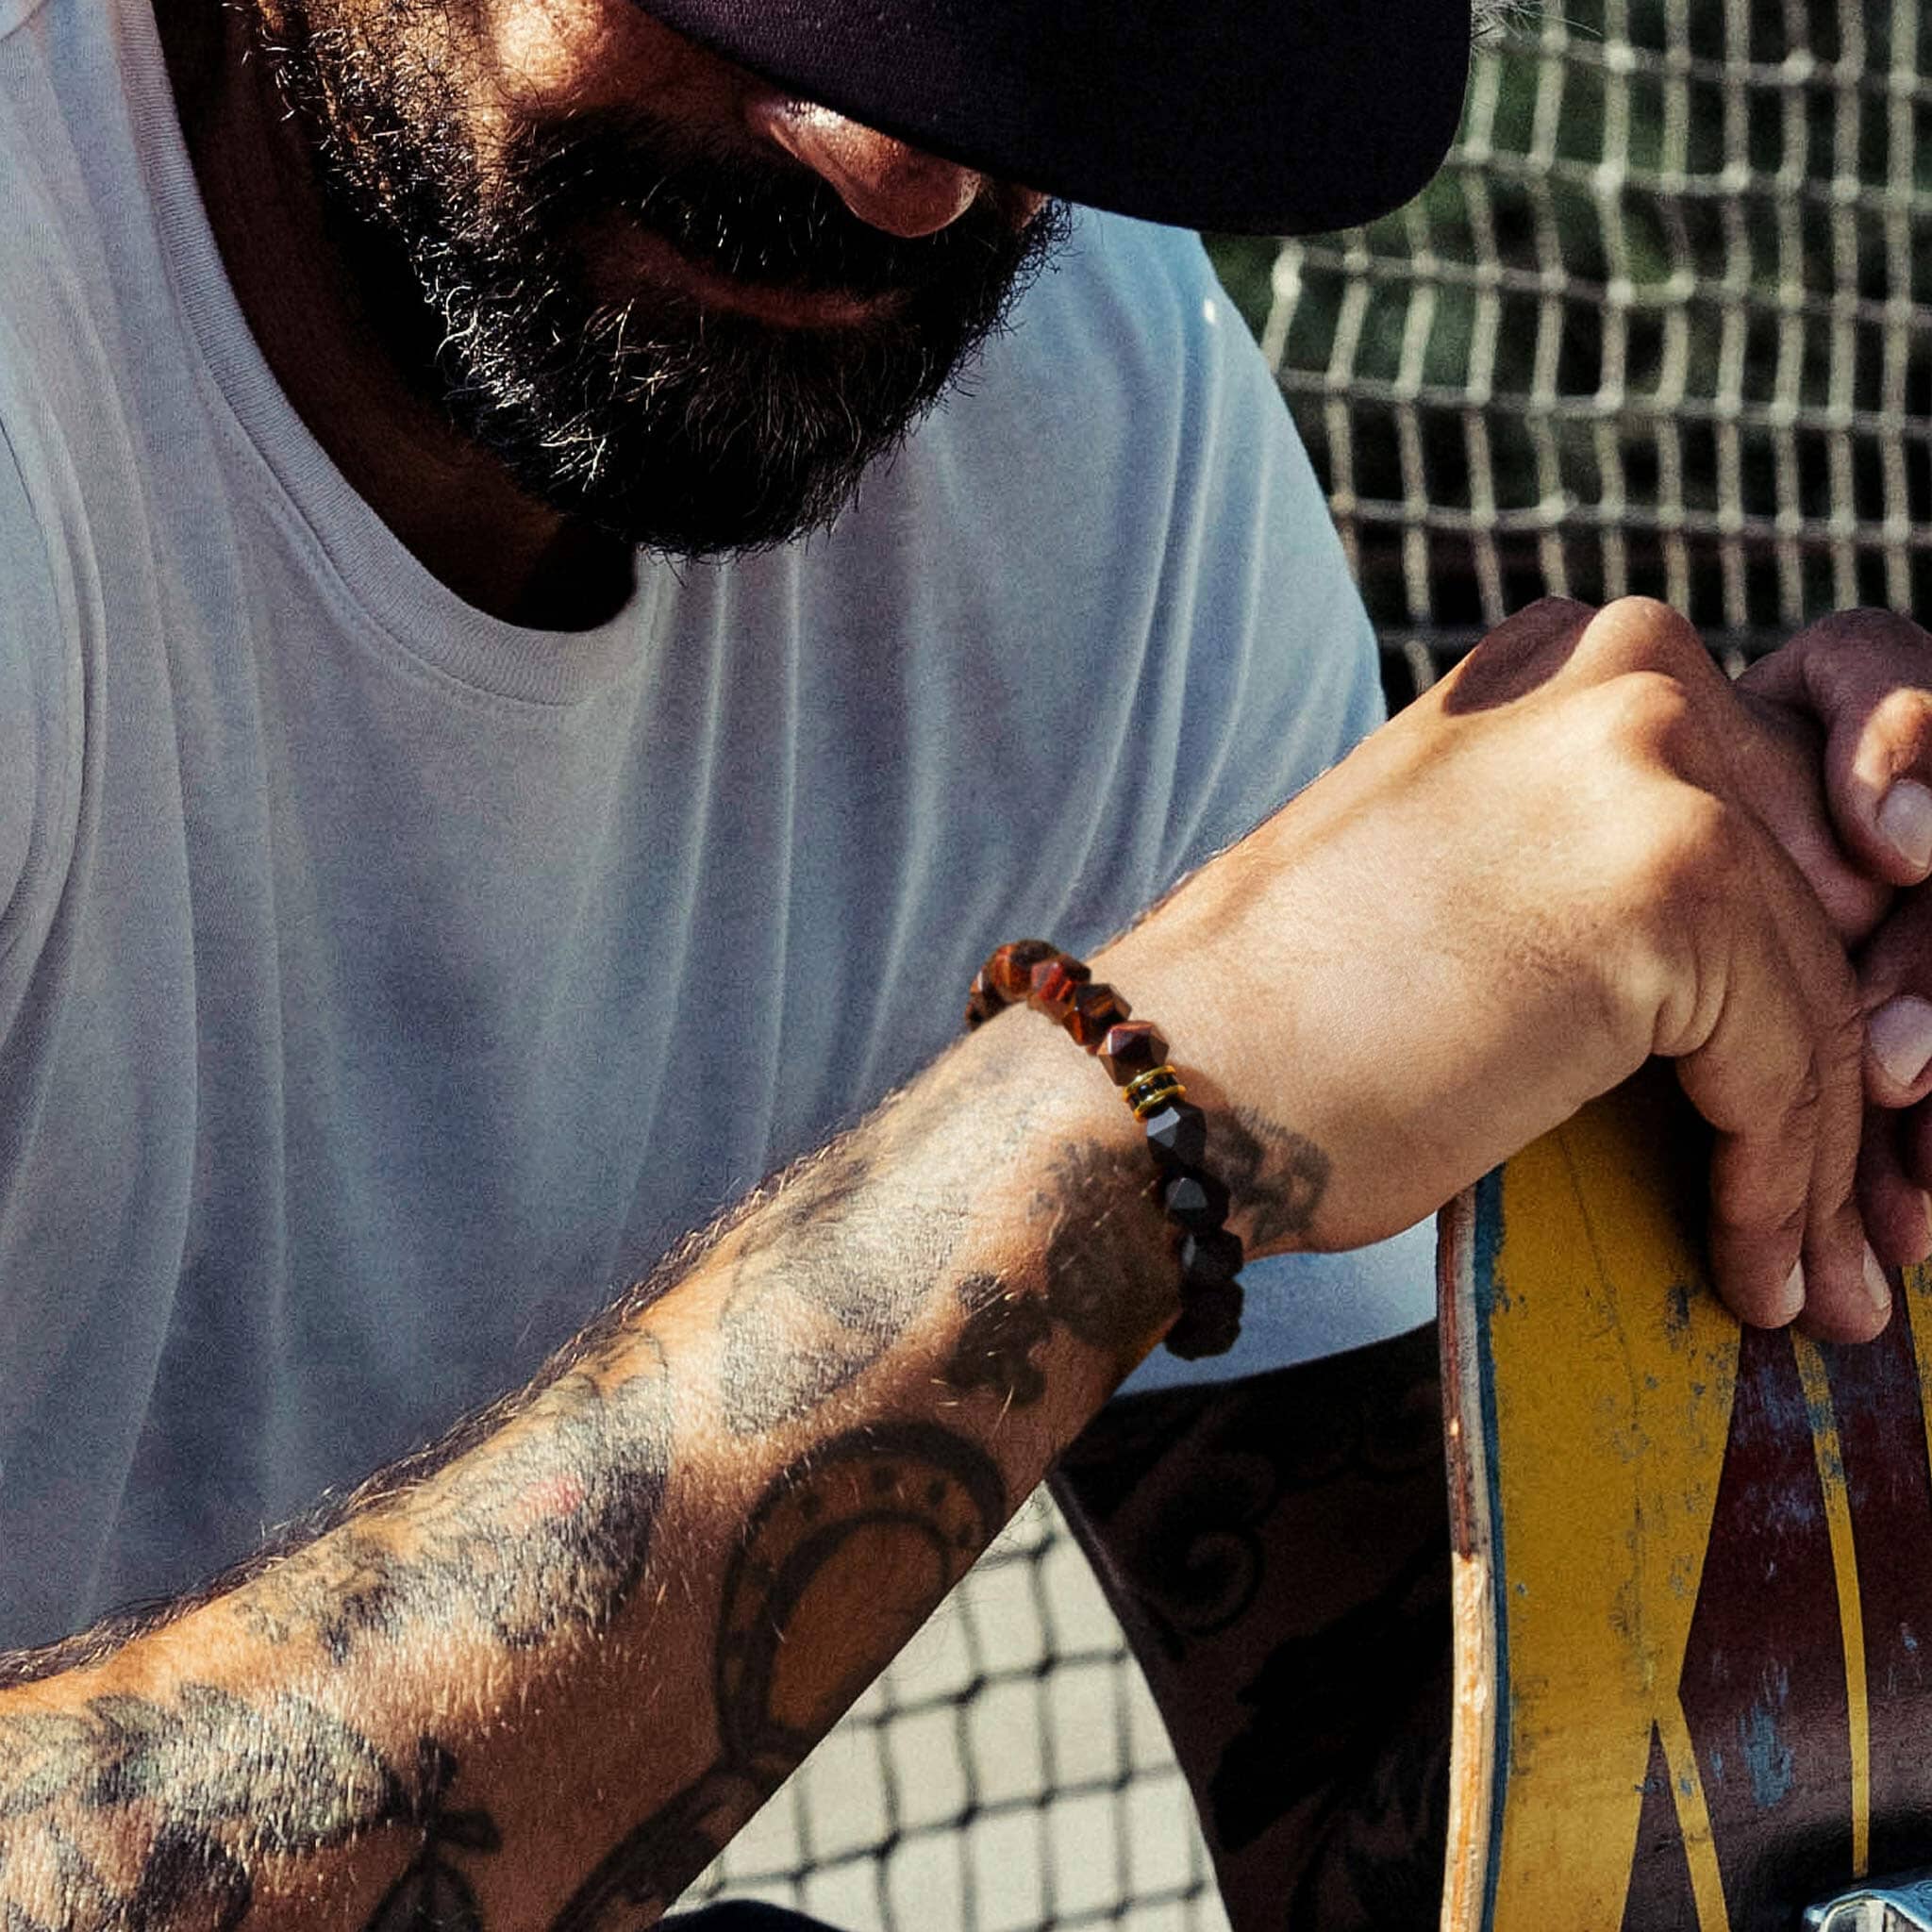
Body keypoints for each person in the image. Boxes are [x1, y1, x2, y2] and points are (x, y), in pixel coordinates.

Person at [1, 0, 1931, 1926]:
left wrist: (1784, 1148)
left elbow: (1420, 1808)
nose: (907, 176)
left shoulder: (1096, 410)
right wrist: (1127, 1123)